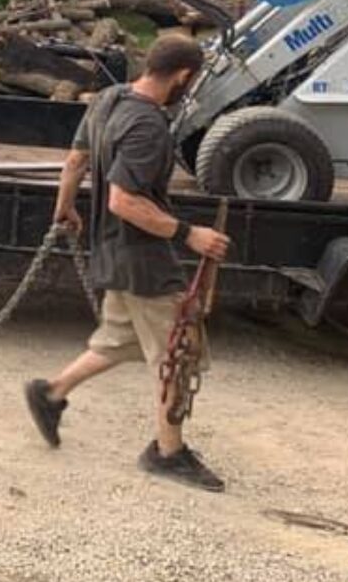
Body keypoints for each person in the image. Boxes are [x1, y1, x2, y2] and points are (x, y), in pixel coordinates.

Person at [24, 35, 232, 491]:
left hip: (111, 250)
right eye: (191, 82)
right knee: (180, 352)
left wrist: (65, 207)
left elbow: (76, 159)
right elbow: (123, 200)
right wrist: (189, 234)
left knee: (119, 339)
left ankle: (50, 393)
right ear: (182, 77)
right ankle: (168, 453)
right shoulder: (148, 127)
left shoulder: (108, 98)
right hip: (143, 260)